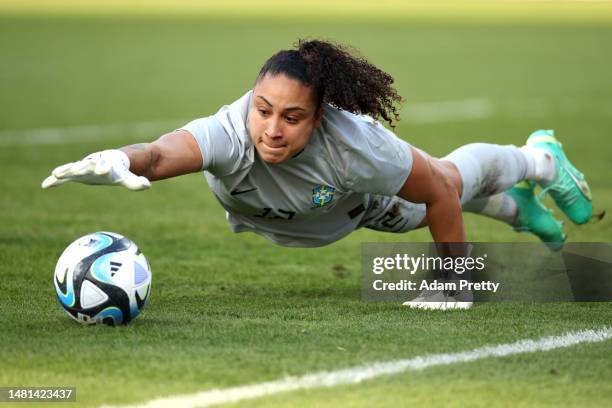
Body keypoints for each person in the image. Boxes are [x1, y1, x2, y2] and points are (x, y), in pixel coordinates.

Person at [42, 39, 594, 309]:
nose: (272, 130)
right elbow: (161, 156)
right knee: (442, 197)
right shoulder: (229, 133)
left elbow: (441, 191)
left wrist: (457, 281)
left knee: (443, 183)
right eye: (263, 109)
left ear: (320, 117)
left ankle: (537, 158)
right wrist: (119, 159)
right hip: (308, 211)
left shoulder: (358, 149)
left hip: (355, 204)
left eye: (292, 117)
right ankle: (513, 207)